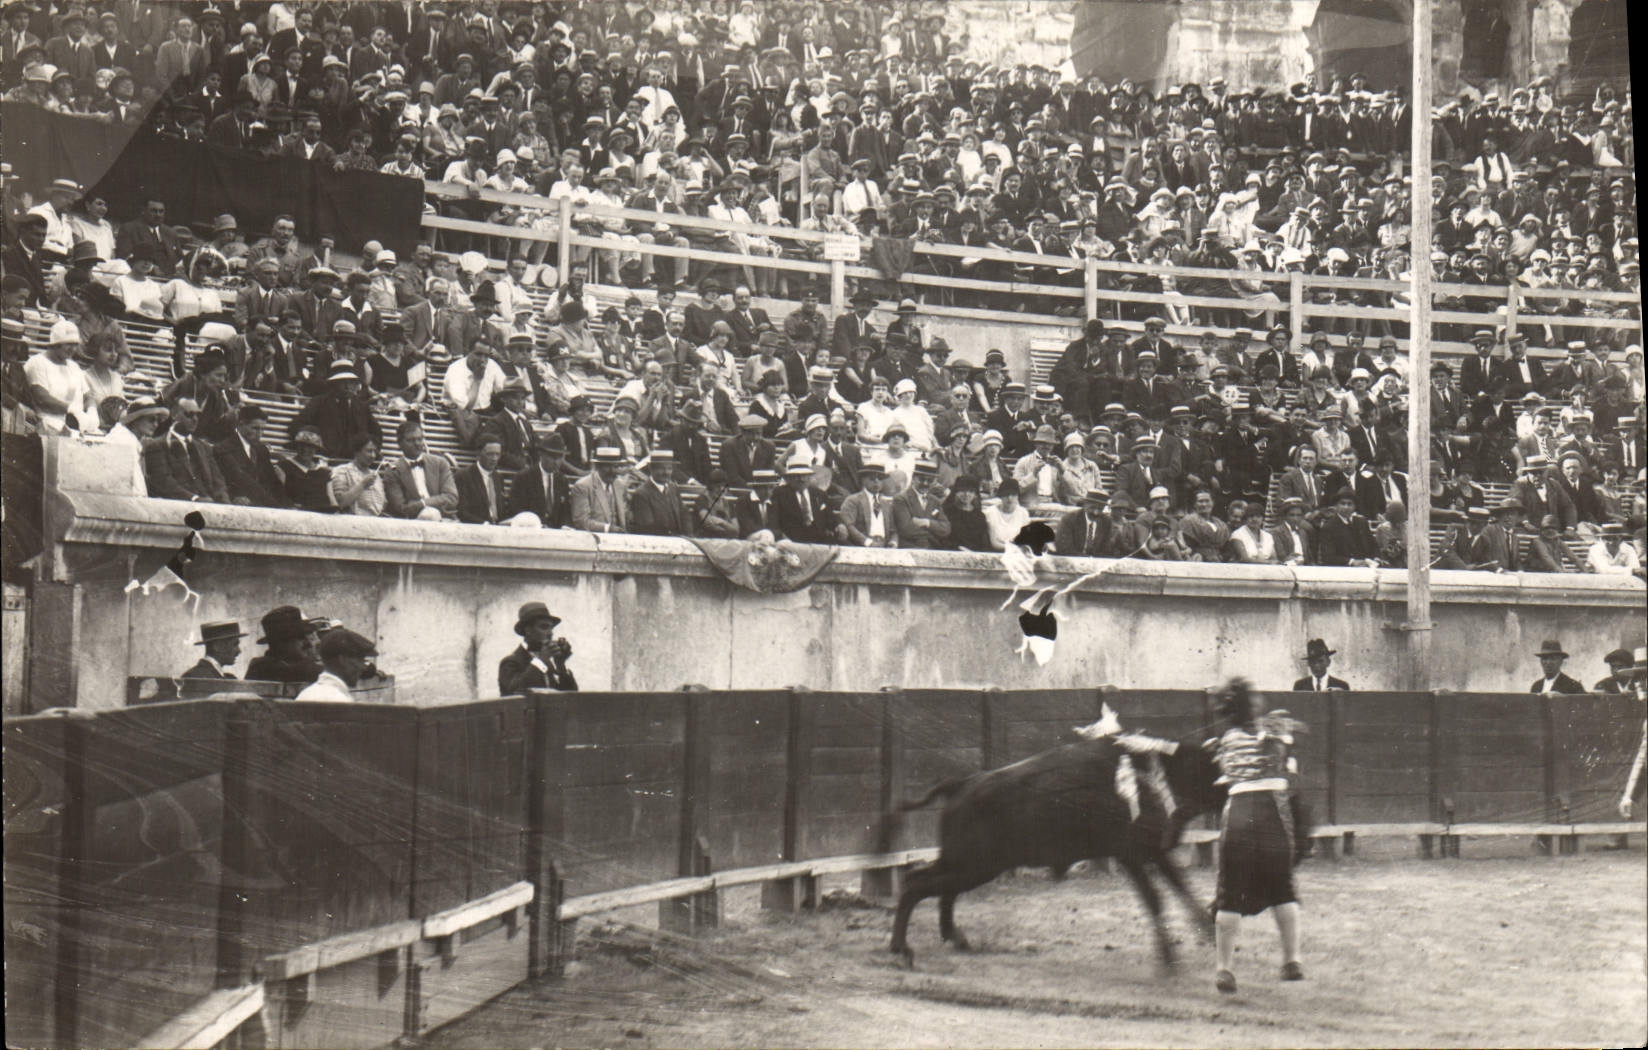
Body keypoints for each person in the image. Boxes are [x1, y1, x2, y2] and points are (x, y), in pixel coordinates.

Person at [1208, 677, 1305, 995]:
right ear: (1251, 706)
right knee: (1283, 889)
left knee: (1229, 892)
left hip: (1238, 812)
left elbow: (1224, 774)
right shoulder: (1276, 731)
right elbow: (1288, 771)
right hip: (1272, 813)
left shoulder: (1225, 741)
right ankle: (1292, 961)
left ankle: (1224, 968)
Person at [498, 601, 577, 695]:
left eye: (551, 628)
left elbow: (570, 698)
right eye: (544, 627)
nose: (550, 633)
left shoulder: (547, 664)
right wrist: (541, 660)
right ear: (528, 630)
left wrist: (560, 665)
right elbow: (516, 691)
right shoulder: (510, 662)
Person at [294, 628, 378, 702]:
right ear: (343, 660)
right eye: (360, 660)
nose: (363, 667)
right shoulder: (341, 701)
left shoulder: (304, 695)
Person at [245, 605, 322, 684]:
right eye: (300, 637)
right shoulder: (262, 667)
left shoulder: (293, 665)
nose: (308, 643)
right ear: (280, 643)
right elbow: (295, 671)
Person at [181, 621, 246, 680]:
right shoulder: (194, 677)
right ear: (217, 646)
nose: (239, 651)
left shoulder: (229, 678)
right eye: (235, 644)